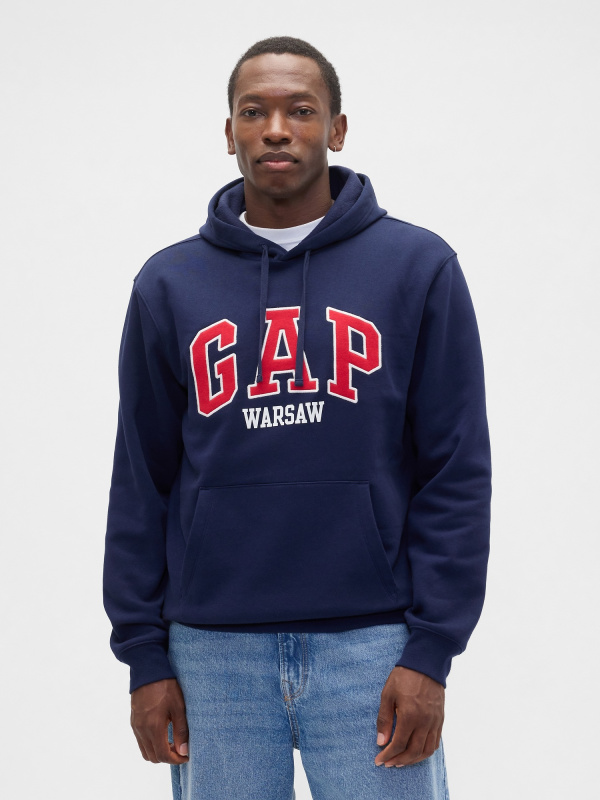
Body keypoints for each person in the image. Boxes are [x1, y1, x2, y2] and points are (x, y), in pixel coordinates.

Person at [103, 36, 492, 800]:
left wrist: (431, 651)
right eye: (255, 112)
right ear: (229, 133)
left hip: (375, 647)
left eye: (301, 110)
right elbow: (140, 479)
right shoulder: (168, 284)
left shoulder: (417, 268)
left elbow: (456, 470)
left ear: (336, 129)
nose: (276, 129)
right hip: (210, 653)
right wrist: (144, 656)